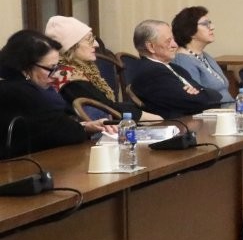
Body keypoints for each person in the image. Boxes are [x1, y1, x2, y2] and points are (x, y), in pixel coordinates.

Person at [0, 29, 112, 157]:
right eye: (51, 68)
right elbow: (67, 132)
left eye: (56, 68)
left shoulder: (12, 85)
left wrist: (84, 126)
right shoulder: (22, 93)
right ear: (26, 67)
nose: (55, 76)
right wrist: (83, 128)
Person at [43, 15, 155, 120]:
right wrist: (150, 116)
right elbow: (108, 108)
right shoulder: (70, 79)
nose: (96, 44)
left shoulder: (82, 70)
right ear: (71, 46)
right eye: (89, 40)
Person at [130, 20, 224, 118]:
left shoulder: (175, 68)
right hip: (178, 124)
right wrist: (201, 93)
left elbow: (215, 96)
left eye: (173, 40)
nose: (175, 45)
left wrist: (200, 92)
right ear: (151, 47)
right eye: (168, 41)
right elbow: (195, 102)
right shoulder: (151, 73)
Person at [171, 7, 233, 104]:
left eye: (210, 23)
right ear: (189, 31)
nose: (212, 27)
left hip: (228, 109)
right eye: (205, 24)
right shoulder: (183, 61)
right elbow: (196, 98)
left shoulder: (204, 55)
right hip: (213, 112)